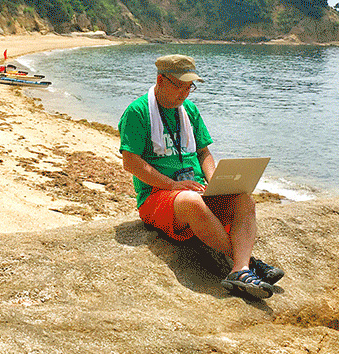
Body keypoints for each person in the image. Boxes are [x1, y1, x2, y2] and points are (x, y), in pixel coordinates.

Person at [119, 53, 283, 299]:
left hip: (192, 189)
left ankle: (240, 268)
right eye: (179, 86)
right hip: (158, 197)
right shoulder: (138, 111)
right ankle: (248, 263)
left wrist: (216, 182)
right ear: (161, 80)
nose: (184, 94)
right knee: (191, 201)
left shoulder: (189, 111)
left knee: (244, 199)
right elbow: (132, 163)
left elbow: (204, 152)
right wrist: (173, 185)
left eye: (189, 87)